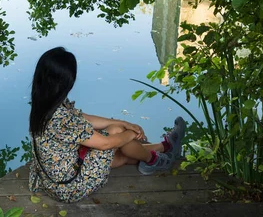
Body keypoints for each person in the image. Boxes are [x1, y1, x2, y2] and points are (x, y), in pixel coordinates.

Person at [28, 47, 186, 203]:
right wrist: (131, 133)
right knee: (117, 134)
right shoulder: (61, 119)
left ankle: (163, 147)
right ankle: (154, 160)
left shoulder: (44, 103)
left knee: (119, 138)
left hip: (52, 180)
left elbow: (82, 118)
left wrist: (122, 122)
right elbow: (105, 144)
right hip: (70, 187)